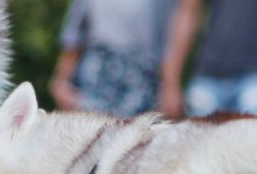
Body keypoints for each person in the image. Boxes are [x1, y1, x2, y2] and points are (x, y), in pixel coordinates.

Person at [49, 0, 177, 117]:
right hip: (96, 77)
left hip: (142, 80)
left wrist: (169, 85)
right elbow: (76, 30)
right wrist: (61, 80)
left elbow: (174, 31)